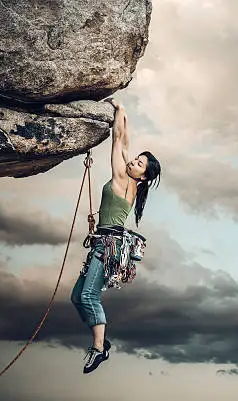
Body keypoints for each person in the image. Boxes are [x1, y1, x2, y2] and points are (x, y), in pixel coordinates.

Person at [70, 98, 161, 374]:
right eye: (136, 160)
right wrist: (126, 118)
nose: (133, 162)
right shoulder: (131, 179)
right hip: (106, 242)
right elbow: (126, 142)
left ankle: (99, 348)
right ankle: (101, 339)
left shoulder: (123, 178)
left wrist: (119, 109)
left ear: (142, 176)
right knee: (77, 297)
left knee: (88, 297)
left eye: (139, 163)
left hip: (108, 245)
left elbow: (118, 140)